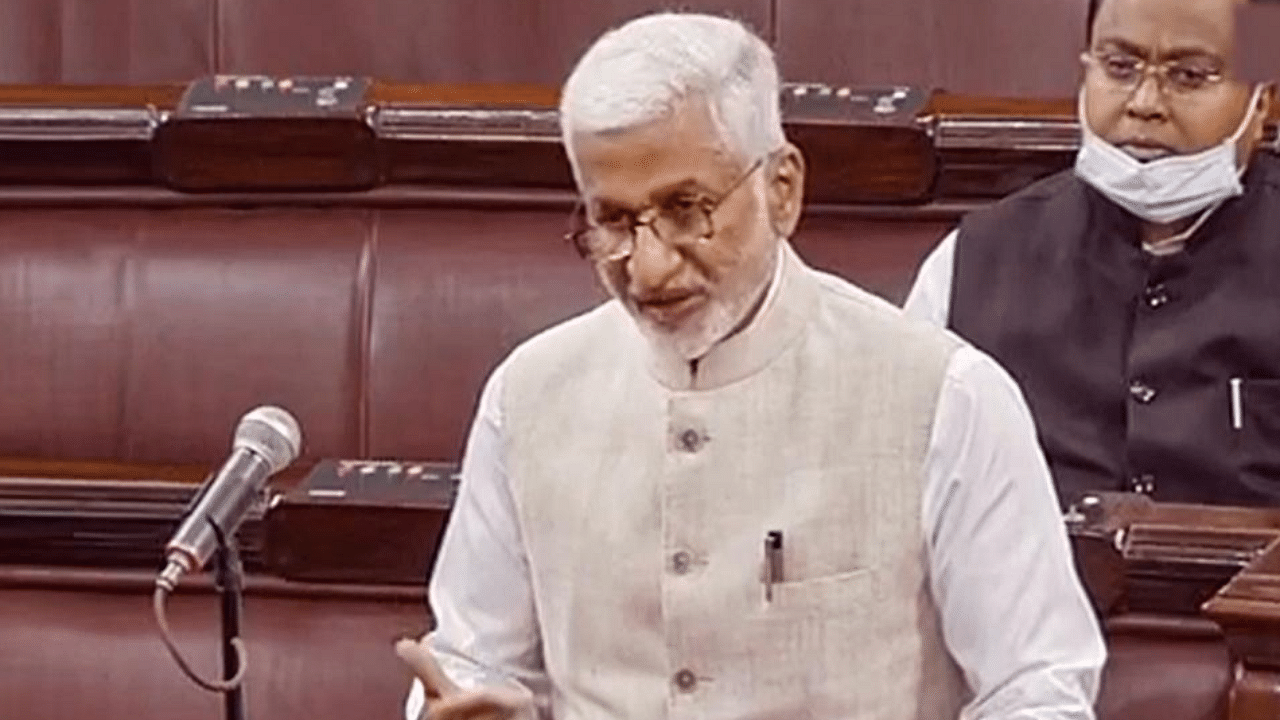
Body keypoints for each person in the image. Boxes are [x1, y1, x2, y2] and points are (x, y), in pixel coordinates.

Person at [396, 11, 1104, 720]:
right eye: (612, 221)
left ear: (782, 188)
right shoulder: (528, 395)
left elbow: (1037, 692)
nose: (648, 266)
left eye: (686, 208)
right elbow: (469, 663)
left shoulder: (947, 398)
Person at [905, 0, 1280, 508]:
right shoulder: (974, 260)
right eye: (1119, 68)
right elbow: (902, 487)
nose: (1145, 103)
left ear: (1262, 102)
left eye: (1189, 76)